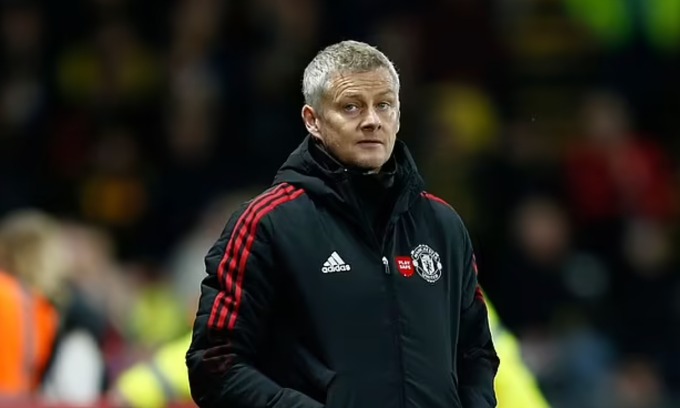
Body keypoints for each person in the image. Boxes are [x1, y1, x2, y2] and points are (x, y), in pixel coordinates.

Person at [186, 40, 499, 407]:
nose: (372, 120)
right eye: (351, 106)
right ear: (312, 120)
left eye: (384, 105)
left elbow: (476, 352)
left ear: (399, 115)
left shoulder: (443, 225)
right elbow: (215, 364)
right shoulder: (267, 224)